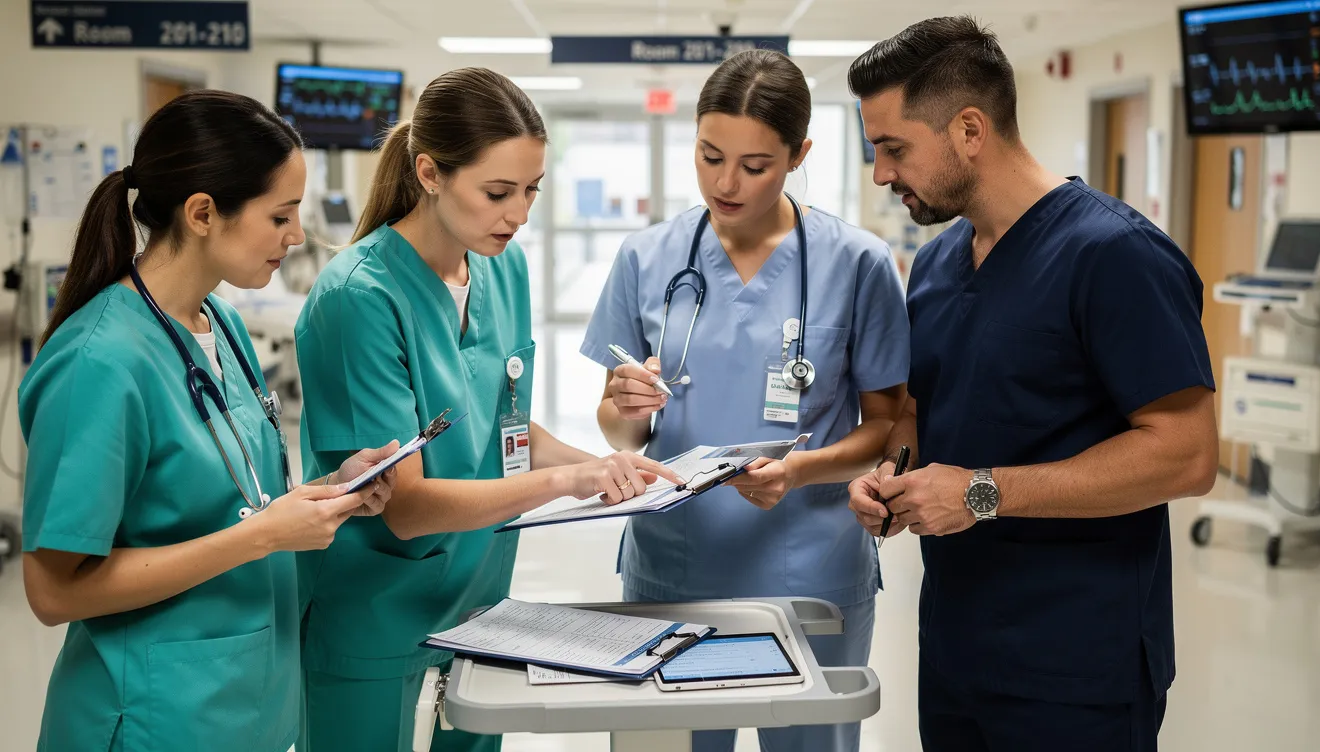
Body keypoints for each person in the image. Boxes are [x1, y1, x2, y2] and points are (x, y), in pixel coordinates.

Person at [844, 17, 1219, 752]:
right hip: (956, 650)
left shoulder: (1115, 255)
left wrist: (980, 493)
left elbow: (1188, 455)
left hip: (1077, 667)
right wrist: (893, 476)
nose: (882, 174)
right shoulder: (938, 263)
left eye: (894, 148)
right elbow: (921, 408)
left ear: (969, 130)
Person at [293, 67, 681, 752]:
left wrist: (609, 469)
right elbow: (406, 505)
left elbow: (504, 426)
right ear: (430, 173)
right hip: (377, 615)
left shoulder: (502, 267)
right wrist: (567, 481)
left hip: (479, 605)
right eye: (498, 192)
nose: (519, 213)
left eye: (532, 190)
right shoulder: (359, 296)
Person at [18, 90, 398, 752]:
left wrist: (326, 492)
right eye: (280, 215)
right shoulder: (98, 362)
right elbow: (53, 592)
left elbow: (233, 503)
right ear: (202, 213)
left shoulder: (219, 323)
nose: (297, 235)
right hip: (152, 717)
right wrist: (263, 537)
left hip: (243, 705)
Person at [582, 49, 911, 752]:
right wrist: (625, 407)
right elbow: (620, 432)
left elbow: (885, 425)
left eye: (755, 165)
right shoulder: (647, 257)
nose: (725, 183)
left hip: (812, 565)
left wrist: (800, 470)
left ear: (799, 155)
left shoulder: (857, 263)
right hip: (676, 564)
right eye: (709, 156)